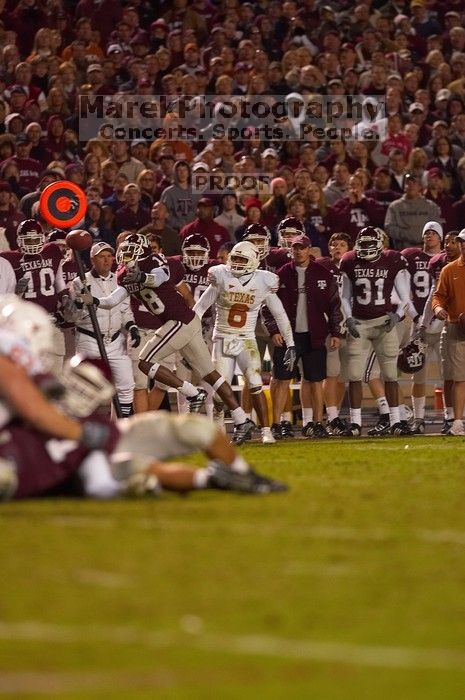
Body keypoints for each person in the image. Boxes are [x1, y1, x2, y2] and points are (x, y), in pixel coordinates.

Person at [0, 297, 286, 499]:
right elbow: (36, 412)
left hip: (76, 448)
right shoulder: (9, 363)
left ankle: (242, 475)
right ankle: (216, 479)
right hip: (58, 460)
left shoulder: (32, 374)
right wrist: (84, 432)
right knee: (134, 469)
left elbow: (41, 407)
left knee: (195, 429)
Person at [77, 234, 257, 445]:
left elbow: (159, 277)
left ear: (142, 251)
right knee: (211, 375)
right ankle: (241, 419)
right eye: (123, 251)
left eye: (130, 251)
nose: (125, 256)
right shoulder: (124, 274)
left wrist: (142, 278)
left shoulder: (154, 261)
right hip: (182, 322)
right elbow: (113, 300)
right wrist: (94, 300)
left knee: (145, 361)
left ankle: (192, 393)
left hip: (180, 320)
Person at [194, 241, 296, 444]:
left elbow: (280, 315)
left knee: (255, 383)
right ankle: (219, 427)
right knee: (219, 391)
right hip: (222, 337)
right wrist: (190, 338)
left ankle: (266, 430)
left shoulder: (263, 281)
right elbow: (199, 308)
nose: (237, 263)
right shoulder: (221, 276)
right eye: (235, 258)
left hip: (247, 339)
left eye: (242, 259)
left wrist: (291, 344)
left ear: (253, 261)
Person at [340, 226, 417, 437]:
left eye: (368, 244)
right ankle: (355, 424)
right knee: (354, 376)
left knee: (391, 375)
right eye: (361, 244)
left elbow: (404, 298)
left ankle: (396, 421)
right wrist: (348, 318)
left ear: (379, 245)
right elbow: (345, 296)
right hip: (360, 323)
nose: (364, 249)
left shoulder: (392, 259)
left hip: (384, 322)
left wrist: (397, 316)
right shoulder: (349, 261)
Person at [265, 235, 343, 439]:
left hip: (314, 336)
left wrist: (336, 332)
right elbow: (267, 306)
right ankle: (277, 423)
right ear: (290, 250)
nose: (298, 251)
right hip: (288, 338)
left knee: (316, 380)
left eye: (302, 248)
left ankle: (317, 423)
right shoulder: (281, 274)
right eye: (294, 248)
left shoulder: (323, 274)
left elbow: (335, 305)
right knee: (282, 379)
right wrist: (273, 330)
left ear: (309, 250)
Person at [70, 241, 139, 418]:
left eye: (109, 256)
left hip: (115, 340)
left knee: (126, 385)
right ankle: (81, 428)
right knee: (86, 387)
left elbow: (125, 310)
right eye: (102, 256)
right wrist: (78, 304)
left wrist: (132, 327)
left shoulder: (119, 280)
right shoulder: (80, 282)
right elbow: (73, 316)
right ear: (93, 259)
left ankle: (121, 428)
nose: (107, 260)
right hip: (89, 339)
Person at [1, 219, 68, 372]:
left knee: (56, 376)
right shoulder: (7, 260)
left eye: (35, 239)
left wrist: (65, 298)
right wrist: (16, 295)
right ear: (19, 240)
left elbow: (58, 280)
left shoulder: (52, 251)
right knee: (30, 377)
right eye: (28, 240)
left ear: (42, 238)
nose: (32, 244)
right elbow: (3, 298)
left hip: (52, 322)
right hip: (26, 327)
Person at [401, 221, 443, 433]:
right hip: (419, 321)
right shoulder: (411, 256)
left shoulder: (447, 258)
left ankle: (452, 417)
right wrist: (416, 317)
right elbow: (403, 289)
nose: (429, 236)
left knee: (451, 375)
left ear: (441, 237)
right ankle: (418, 418)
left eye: (434, 232)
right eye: (426, 232)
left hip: (444, 321)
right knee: (417, 373)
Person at [420, 231, 461, 434]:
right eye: (450, 242)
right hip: (452, 325)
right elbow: (434, 296)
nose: (452, 245)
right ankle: (452, 417)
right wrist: (428, 318)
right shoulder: (445, 268)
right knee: (451, 376)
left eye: (456, 241)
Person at [432, 229, 465, 435]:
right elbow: (438, 296)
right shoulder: (449, 269)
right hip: (456, 326)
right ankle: (458, 422)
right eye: (462, 242)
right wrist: (437, 309)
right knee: (459, 378)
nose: (463, 245)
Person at [385, 173, 442, 250]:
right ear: (404, 187)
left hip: (426, 250)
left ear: (420, 186)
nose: (411, 185)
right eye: (408, 183)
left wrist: (423, 236)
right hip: (402, 250)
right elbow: (389, 227)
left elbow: (436, 226)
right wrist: (409, 235)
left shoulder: (431, 206)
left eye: (414, 183)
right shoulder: (395, 206)